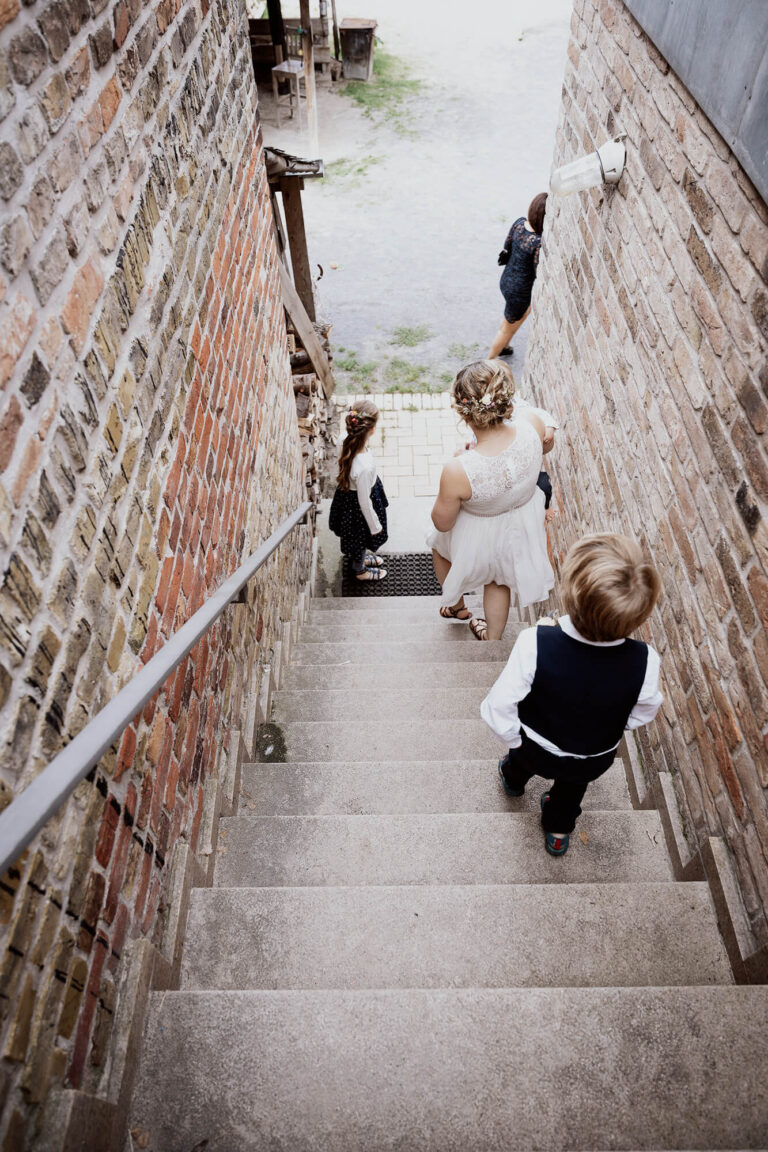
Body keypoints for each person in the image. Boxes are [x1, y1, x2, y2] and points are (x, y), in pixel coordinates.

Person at [481, 533, 663, 856]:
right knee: (572, 790)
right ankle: (558, 831)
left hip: (534, 746)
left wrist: (514, 738)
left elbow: (499, 706)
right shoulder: (645, 660)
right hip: (591, 756)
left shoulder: (535, 643)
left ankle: (513, 781)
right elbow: (643, 711)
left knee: (519, 763)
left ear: (570, 593)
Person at [427, 360, 554, 639]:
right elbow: (546, 445)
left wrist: (461, 462)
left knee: (438, 547)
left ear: (463, 413)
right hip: (520, 522)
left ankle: (457, 606)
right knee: (499, 580)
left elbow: (443, 523)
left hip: (478, 532)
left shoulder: (459, 469)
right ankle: (492, 639)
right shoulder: (532, 423)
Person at [328, 400, 388, 582]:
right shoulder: (365, 467)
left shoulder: (343, 439)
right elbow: (364, 502)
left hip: (346, 497)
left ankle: (359, 559)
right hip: (358, 508)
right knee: (360, 540)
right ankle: (360, 570)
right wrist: (375, 526)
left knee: (355, 539)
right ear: (372, 429)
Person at [489, 192, 548, 360]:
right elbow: (538, 271)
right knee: (506, 328)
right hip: (519, 292)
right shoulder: (538, 242)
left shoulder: (519, 223)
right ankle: (489, 361)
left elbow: (507, 245)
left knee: (514, 316)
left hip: (506, 280)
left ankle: (505, 346)